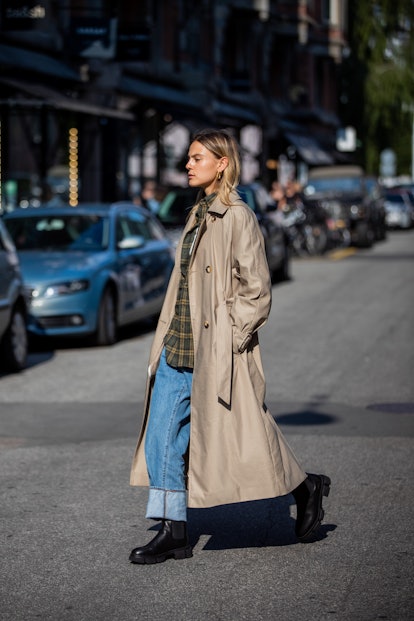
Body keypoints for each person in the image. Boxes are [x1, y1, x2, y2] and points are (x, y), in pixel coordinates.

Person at [129, 129, 330, 564]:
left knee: (248, 436)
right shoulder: (197, 211)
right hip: (177, 344)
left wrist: (229, 339)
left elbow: (256, 290)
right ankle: (174, 531)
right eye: (188, 157)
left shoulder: (236, 215)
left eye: (197, 157)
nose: (188, 164)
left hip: (215, 349)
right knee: (163, 437)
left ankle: (305, 487)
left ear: (222, 164)